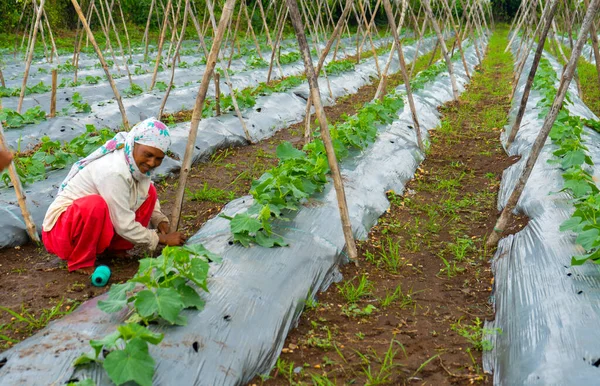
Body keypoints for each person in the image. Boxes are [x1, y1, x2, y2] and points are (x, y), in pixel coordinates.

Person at [42, 118, 185, 274]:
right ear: (134, 144)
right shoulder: (114, 171)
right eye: (148, 155)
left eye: (159, 159)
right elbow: (123, 224)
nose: (152, 163)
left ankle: (115, 249)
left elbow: (145, 193)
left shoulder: (134, 164)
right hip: (62, 233)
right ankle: (80, 261)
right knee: (94, 205)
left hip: (91, 225)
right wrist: (161, 239)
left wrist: (159, 220)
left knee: (150, 191)